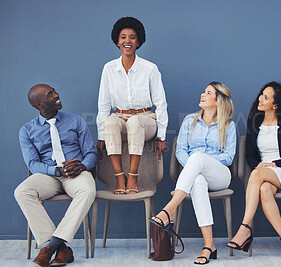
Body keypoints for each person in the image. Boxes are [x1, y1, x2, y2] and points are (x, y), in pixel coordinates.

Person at [150, 82, 236, 265]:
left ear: (218, 101)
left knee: (197, 157)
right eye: (204, 91)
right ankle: (209, 245)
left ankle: (169, 210)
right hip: (195, 174)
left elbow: (228, 157)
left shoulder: (229, 125)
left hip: (220, 176)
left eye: (208, 92)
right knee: (197, 181)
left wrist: (202, 161)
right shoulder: (189, 121)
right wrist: (196, 166)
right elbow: (180, 150)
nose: (203, 94)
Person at [14, 84, 98, 267]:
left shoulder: (76, 121)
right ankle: (62, 249)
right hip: (49, 175)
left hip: (76, 172)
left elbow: (92, 153)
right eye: (50, 95)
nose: (56, 95)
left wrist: (82, 165)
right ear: (38, 104)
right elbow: (32, 164)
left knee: (88, 190)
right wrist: (56, 171)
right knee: (22, 191)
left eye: (54, 91)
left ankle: (50, 247)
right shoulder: (27, 130)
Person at [226, 82, 281, 260]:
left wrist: (274, 164)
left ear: (275, 105)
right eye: (261, 94)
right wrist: (261, 166)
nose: (260, 99)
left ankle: (245, 228)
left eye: (266, 97)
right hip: (264, 176)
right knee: (264, 190)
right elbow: (250, 156)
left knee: (257, 174)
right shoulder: (255, 122)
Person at [96, 16, 168, 194]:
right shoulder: (109, 68)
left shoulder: (150, 68)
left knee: (136, 121)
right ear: (117, 41)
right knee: (110, 122)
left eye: (132, 37)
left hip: (146, 119)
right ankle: (120, 177)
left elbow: (161, 103)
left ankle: (133, 176)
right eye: (123, 37)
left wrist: (162, 136)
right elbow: (103, 104)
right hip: (120, 117)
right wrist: (101, 136)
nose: (127, 41)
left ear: (138, 41)